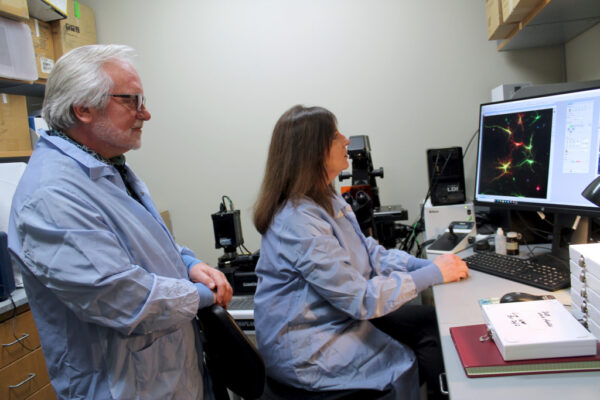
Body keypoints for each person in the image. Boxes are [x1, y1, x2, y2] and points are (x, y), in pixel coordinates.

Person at [8, 44, 232, 399]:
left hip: (167, 373)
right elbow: (124, 299)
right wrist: (206, 295)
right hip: (124, 386)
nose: (146, 114)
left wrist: (188, 263)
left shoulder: (106, 167)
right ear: (82, 108)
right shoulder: (51, 196)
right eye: (132, 101)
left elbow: (145, 241)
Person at [252, 105, 469, 399]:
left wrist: (424, 266)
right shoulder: (297, 221)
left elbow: (368, 253)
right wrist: (432, 275)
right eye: (334, 135)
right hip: (310, 349)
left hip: (333, 316)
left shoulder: (325, 196)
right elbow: (359, 298)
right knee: (414, 351)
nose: (345, 140)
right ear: (311, 152)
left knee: (430, 323)